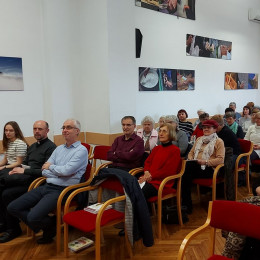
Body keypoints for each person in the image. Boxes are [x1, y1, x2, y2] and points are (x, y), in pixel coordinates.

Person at [7, 119, 88, 244]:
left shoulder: (81, 150)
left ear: (77, 131)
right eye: (63, 127)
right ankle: (50, 226)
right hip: (47, 185)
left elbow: (64, 170)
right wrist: (58, 171)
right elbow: (44, 171)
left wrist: (51, 168)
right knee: (13, 207)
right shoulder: (59, 149)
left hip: (63, 190)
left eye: (69, 127)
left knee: (33, 217)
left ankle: (48, 227)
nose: (65, 130)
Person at [0, 120, 56, 243]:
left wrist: (24, 171)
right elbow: (25, 163)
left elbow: (44, 172)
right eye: (35, 129)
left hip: (37, 182)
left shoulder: (51, 148)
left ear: (47, 131)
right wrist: (18, 169)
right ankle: (5, 223)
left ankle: (14, 229)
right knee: (2, 189)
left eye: (40, 129)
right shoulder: (33, 146)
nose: (37, 131)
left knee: (7, 194)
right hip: (25, 178)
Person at [181, 120, 225, 213]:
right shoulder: (199, 139)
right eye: (204, 127)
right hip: (195, 166)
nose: (205, 129)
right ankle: (185, 204)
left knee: (184, 173)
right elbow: (191, 153)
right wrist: (191, 159)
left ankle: (185, 205)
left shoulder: (218, 141)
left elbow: (220, 160)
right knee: (185, 171)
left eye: (208, 127)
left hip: (210, 169)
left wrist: (205, 162)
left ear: (215, 129)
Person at [139, 123, 181, 201]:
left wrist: (150, 176)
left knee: (139, 193)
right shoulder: (157, 148)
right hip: (149, 179)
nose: (161, 133)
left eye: (164, 131)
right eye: (160, 131)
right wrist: (146, 172)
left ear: (171, 134)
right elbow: (147, 162)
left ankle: (142, 213)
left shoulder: (175, 150)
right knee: (131, 188)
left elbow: (167, 171)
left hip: (162, 183)